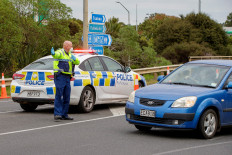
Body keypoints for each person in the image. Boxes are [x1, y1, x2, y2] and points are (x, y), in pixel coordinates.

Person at [51, 41, 80, 121]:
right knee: (59, 95)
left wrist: (74, 58)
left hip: (67, 77)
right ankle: (57, 114)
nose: (72, 47)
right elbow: (55, 55)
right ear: (66, 46)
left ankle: (64, 114)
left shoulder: (70, 55)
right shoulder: (60, 52)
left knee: (67, 96)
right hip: (60, 76)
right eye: (71, 45)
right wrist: (53, 53)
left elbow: (77, 62)